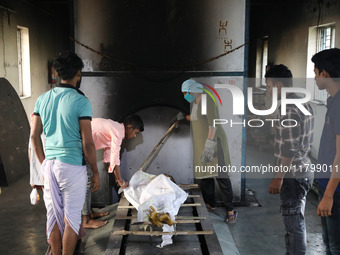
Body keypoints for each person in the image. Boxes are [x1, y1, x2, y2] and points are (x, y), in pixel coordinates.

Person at [31, 51, 100, 255]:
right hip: (71, 167)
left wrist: (44, 163)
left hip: (50, 166)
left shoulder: (42, 99)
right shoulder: (81, 101)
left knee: (52, 216)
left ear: (57, 73)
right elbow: (87, 143)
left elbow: (34, 137)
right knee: (71, 218)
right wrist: (95, 171)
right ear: (78, 73)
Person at [266, 64, 314, 255]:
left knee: (293, 226)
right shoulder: (304, 101)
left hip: (292, 175)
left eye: (269, 86)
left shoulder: (289, 108)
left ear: (278, 85)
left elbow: (290, 147)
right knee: (297, 220)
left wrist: (279, 177)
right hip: (304, 170)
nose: (269, 91)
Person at [179, 79, 237, 223]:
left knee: (221, 176)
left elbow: (214, 124)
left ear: (193, 89)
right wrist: (181, 119)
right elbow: (194, 117)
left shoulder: (206, 100)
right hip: (203, 144)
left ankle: (230, 211)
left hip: (214, 143)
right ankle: (210, 204)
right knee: (205, 176)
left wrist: (209, 146)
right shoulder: (196, 102)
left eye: (186, 92)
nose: (185, 95)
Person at [82, 115, 144, 228]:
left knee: (87, 180)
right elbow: (115, 158)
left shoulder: (114, 128)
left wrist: (118, 179)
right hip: (78, 145)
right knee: (85, 182)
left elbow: (110, 157)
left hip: (83, 147)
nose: (134, 136)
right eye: (135, 133)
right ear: (129, 127)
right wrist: (120, 181)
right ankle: (86, 220)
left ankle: (89, 212)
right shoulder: (118, 131)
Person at [311, 48, 340, 254]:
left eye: (315, 72)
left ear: (325, 74)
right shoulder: (333, 100)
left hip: (335, 191)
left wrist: (329, 195)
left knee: (335, 246)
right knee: (329, 243)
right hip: (326, 184)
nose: (314, 77)